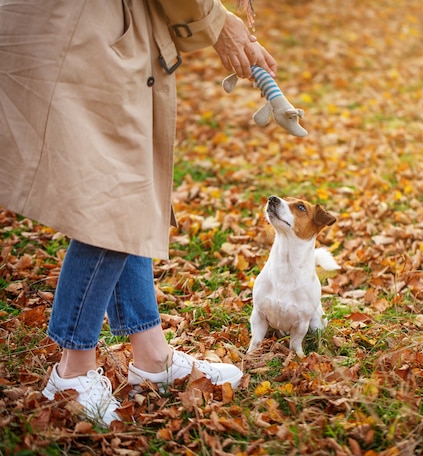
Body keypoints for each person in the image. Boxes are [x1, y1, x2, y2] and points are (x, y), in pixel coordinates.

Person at [0, 0, 277, 426]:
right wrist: (218, 23)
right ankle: (72, 372)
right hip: (86, 34)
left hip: (95, 29)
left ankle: (152, 357)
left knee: (127, 188)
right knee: (115, 195)